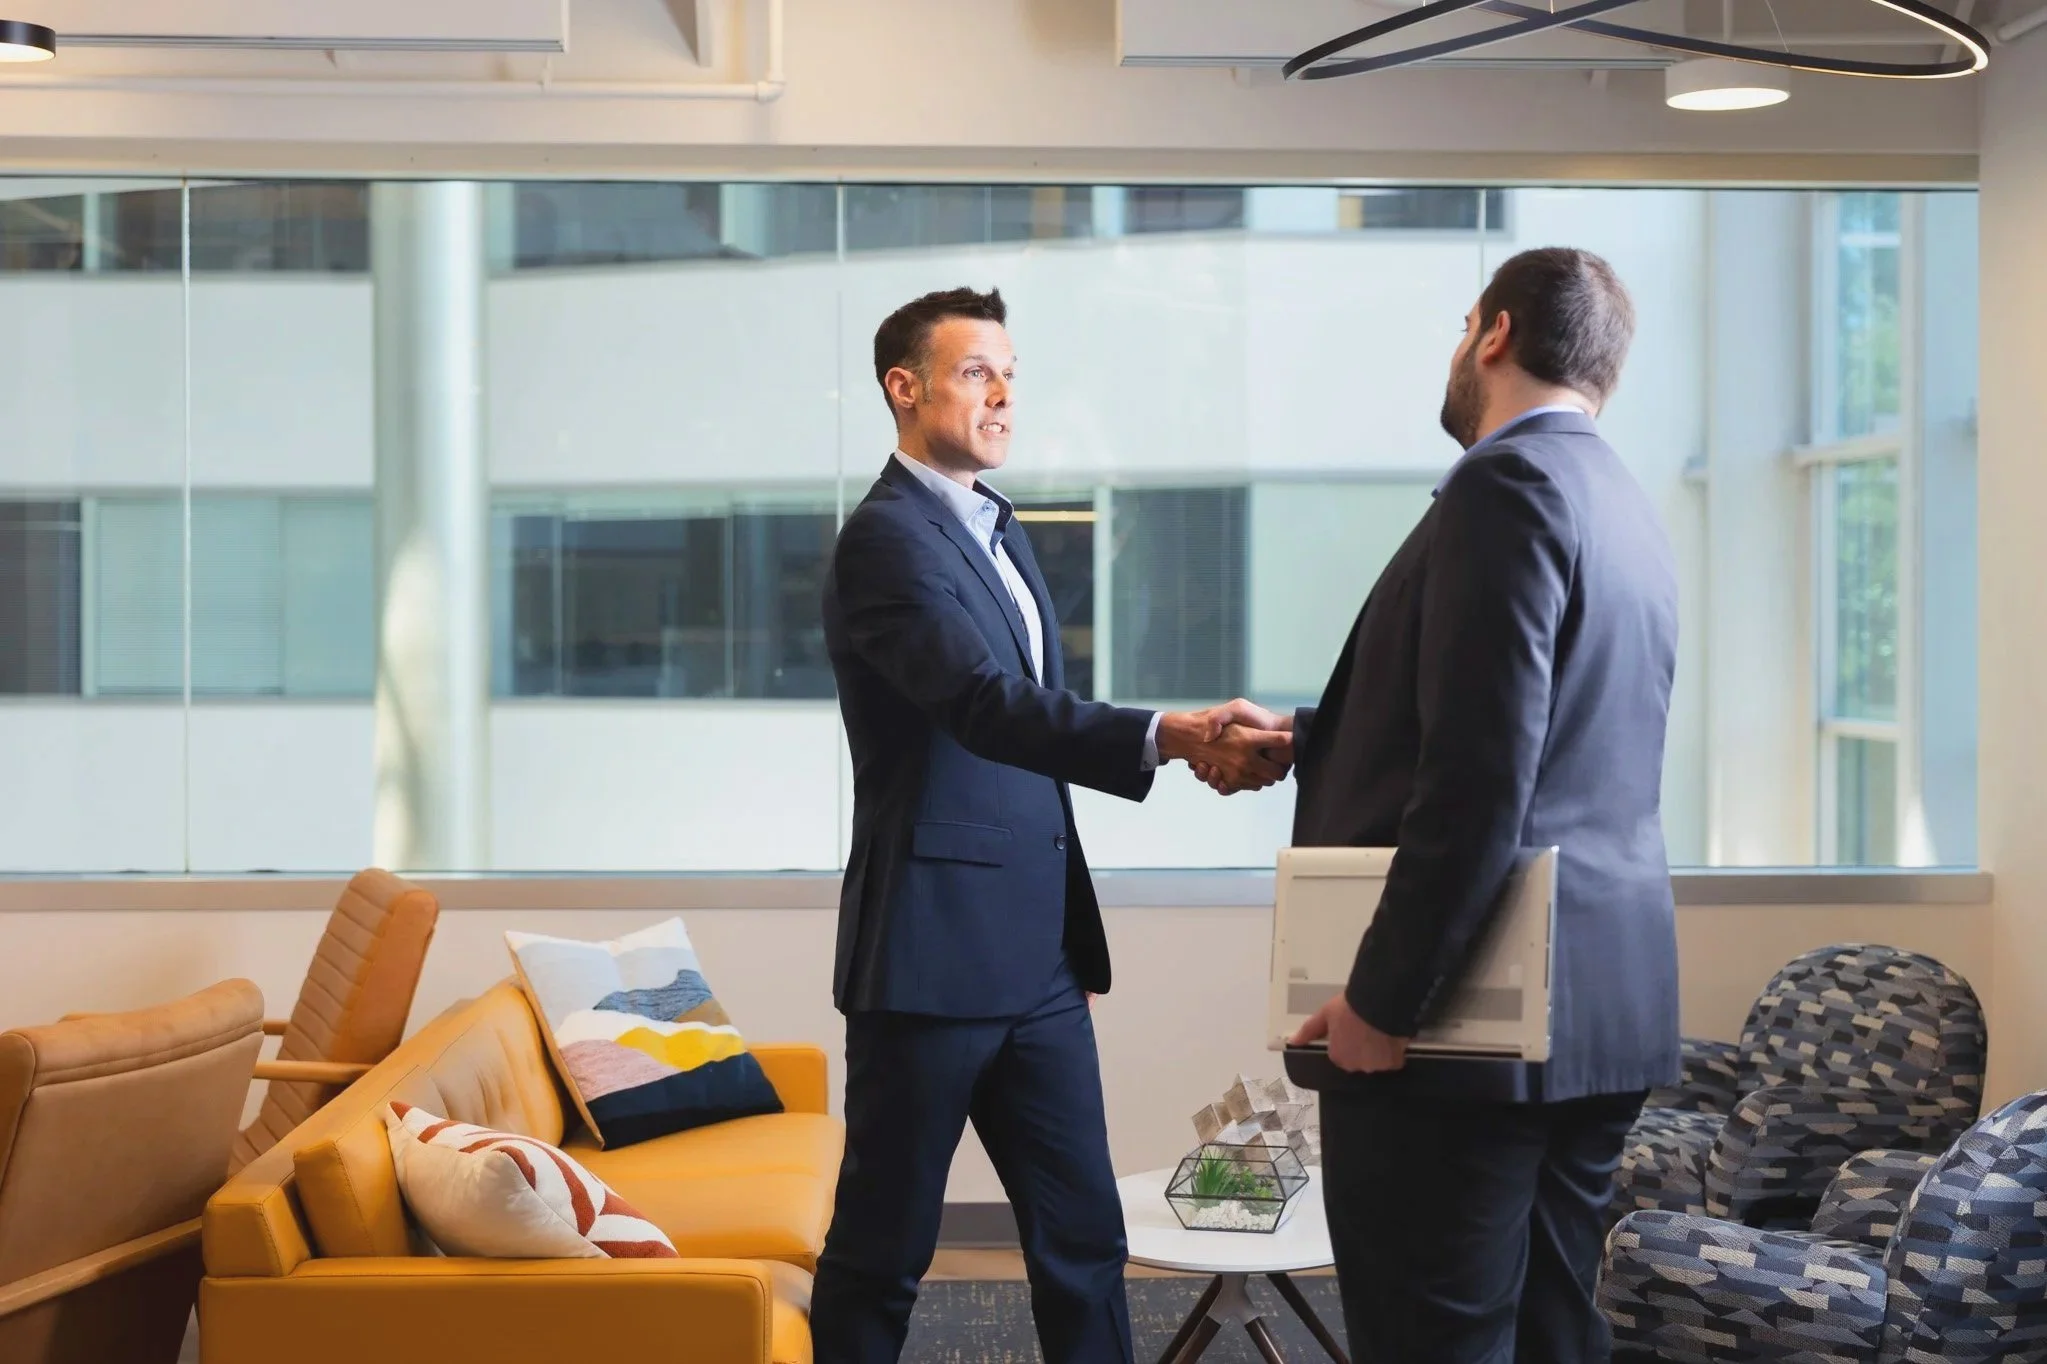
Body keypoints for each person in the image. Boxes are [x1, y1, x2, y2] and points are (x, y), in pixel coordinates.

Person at [1202, 247, 1680, 1364]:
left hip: (1471, 1024)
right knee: (1549, 1331)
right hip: (1600, 1009)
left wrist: (1382, 1000)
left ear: (1494, 332)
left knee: (1434, 1337)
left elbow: (1479, 779)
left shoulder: (1499, 484)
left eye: (1461, 326)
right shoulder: (1621, 496)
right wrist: (1306, 739)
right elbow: (1538, 739)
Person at [812, 285, 1292, 1364]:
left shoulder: (997, 527)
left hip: (1035, 961)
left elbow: (1031, 751)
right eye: (977, 370)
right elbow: (987, 707)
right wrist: (1174, 733)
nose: (1003, 394)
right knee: (884, 1251)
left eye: (1011, 375)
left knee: (1082, 1240)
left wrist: (1062, 927)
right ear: (905, 386)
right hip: (930, 959)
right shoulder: (886, 542)